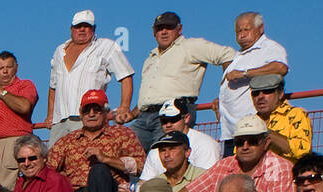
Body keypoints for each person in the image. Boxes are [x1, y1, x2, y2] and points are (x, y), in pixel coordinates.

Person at [129, 12, 235, 151]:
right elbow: (150, 95)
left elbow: (228, 54)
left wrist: (225, 91)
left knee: (165, 157)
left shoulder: (190, 46)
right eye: (160, 28)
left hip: (174, 113)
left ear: (179, 29)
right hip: (144, 117)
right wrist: (132, 113)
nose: (164, 31)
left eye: (169, 27)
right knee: (128, 154)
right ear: (154, 32)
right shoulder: (151, 57)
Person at [46, 10, 135, 144]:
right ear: (71, 29)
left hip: (90, 119)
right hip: (60, 122)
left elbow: (126, 75)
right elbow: (53, 87)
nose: (82, 29)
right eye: (78, 26)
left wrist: (124, 106)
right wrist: (50, 116)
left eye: (86, 26)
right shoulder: (59, 51)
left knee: (87, 162)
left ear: (93, 29)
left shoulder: (106, 46)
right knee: (54, 162)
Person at [218, 12, 289, 149]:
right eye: (238, 31)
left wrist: (245, 73)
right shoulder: (239, 55)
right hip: (231, 132)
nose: (242, 34)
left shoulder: (269, 48)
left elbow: (280, 67)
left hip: (251, 132)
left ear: (260, 28)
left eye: (246, 29)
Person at [0, 53, 40, 189]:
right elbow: (6, 116)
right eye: (1, 68)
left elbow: (24, 107)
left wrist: (1, 91)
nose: (5, 71)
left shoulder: (24, 85)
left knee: (4, 190)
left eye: (9, 67)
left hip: (9, 144)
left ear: (16, 68)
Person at [250, 75, 313, 162]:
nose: (260, 96)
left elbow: (303, 151)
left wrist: (267, 134)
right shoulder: (250, 121)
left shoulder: (296, 114)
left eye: (267, 91)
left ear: (280, 94)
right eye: (255, 93)